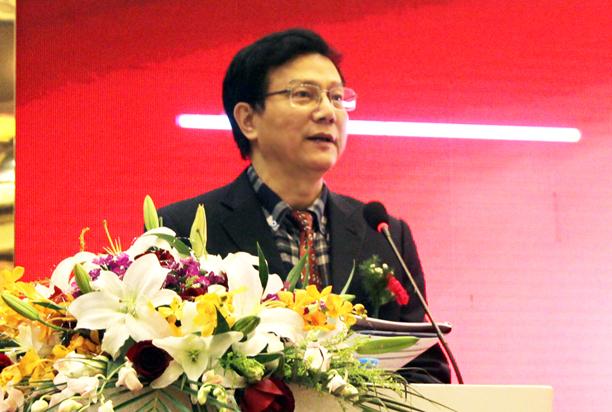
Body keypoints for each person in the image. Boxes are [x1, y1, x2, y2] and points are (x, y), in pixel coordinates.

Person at [159, 28, 450, 383]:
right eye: (304, 94)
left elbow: (427, 370)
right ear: (248, 119)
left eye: (337, 97)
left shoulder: (384, 234)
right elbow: (158, 365)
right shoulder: (181, 230)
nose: (328, 112)